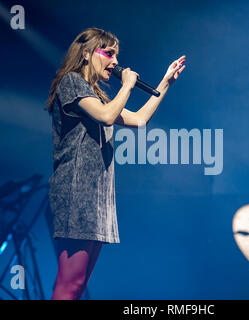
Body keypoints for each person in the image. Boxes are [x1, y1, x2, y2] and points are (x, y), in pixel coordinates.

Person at [46, 27, 185, 300]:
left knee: (77, 286)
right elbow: (107, 117)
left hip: (96, 196)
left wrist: (165, 82)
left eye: (116, 56)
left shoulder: (94, 94)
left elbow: (138, 120)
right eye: (108, 54)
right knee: (68, 284)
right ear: (86, 54)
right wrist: (127, 85)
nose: (115, 62)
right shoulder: (71, 81)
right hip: (77, 194)